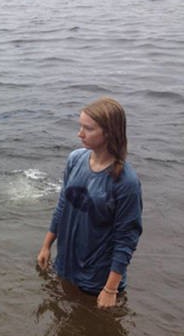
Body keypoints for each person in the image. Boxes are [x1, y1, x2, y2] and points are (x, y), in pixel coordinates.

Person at [37, 97, 143, 308]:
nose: (80, 133)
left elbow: (126, 239)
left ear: (108, 133)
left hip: (97, 278)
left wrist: (110, 289)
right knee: (63, 329)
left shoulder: (125, 181)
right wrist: (46, 245)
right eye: (80, 126)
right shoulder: (75, 159)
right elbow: (62, 206)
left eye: (88, 128)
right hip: (66, 264)